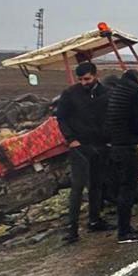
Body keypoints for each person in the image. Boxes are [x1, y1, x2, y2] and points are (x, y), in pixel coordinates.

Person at [54, 62, 111, 243]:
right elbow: (61, 118)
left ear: (95, 75)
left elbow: (110, 116)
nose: (84, 82)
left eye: (87, 79)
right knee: (77, 187)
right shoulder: (70, 94)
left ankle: (95, 220)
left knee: (97, 184)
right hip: (80, 147)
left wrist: (109, 139)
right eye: (80, 79)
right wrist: (71, 140)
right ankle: (72, 230)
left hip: (100, 145)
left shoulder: (106, 93)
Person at [105, 70, 138, 244]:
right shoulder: (134, 92)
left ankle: (124, 227)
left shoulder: (116, 92)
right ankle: (124, 231)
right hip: (127, 147)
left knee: (121, 187)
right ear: (136, 80)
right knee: (128, 188)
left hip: (115, 146)